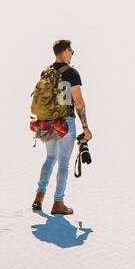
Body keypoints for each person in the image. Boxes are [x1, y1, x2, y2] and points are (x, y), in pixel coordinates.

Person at [33, 39, 92, 215]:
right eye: (71, 51)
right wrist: (86, 127)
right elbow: (79, 102)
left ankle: (38, 197)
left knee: (50, 158)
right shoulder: (72, 73)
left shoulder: (46, 72)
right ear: (66, 51)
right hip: (65, 123)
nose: (72, 54)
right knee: (64, 162)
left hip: (47, 123)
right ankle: (58, 203)